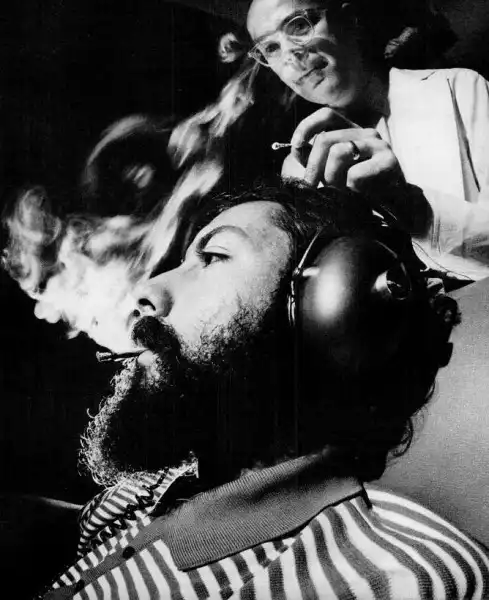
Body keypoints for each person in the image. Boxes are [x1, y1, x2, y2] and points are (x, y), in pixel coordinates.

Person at [37, 181, 489, 599]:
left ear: (334, 303)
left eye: (214, 257)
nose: (148, 290)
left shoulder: (390, 579)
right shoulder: (143, 492)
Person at [212, 0, 489, 285]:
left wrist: (410, 205)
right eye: (271, 48)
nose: (290, 56)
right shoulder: (298, 169)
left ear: (349, 19)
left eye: (299, 25)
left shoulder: (458, 88)